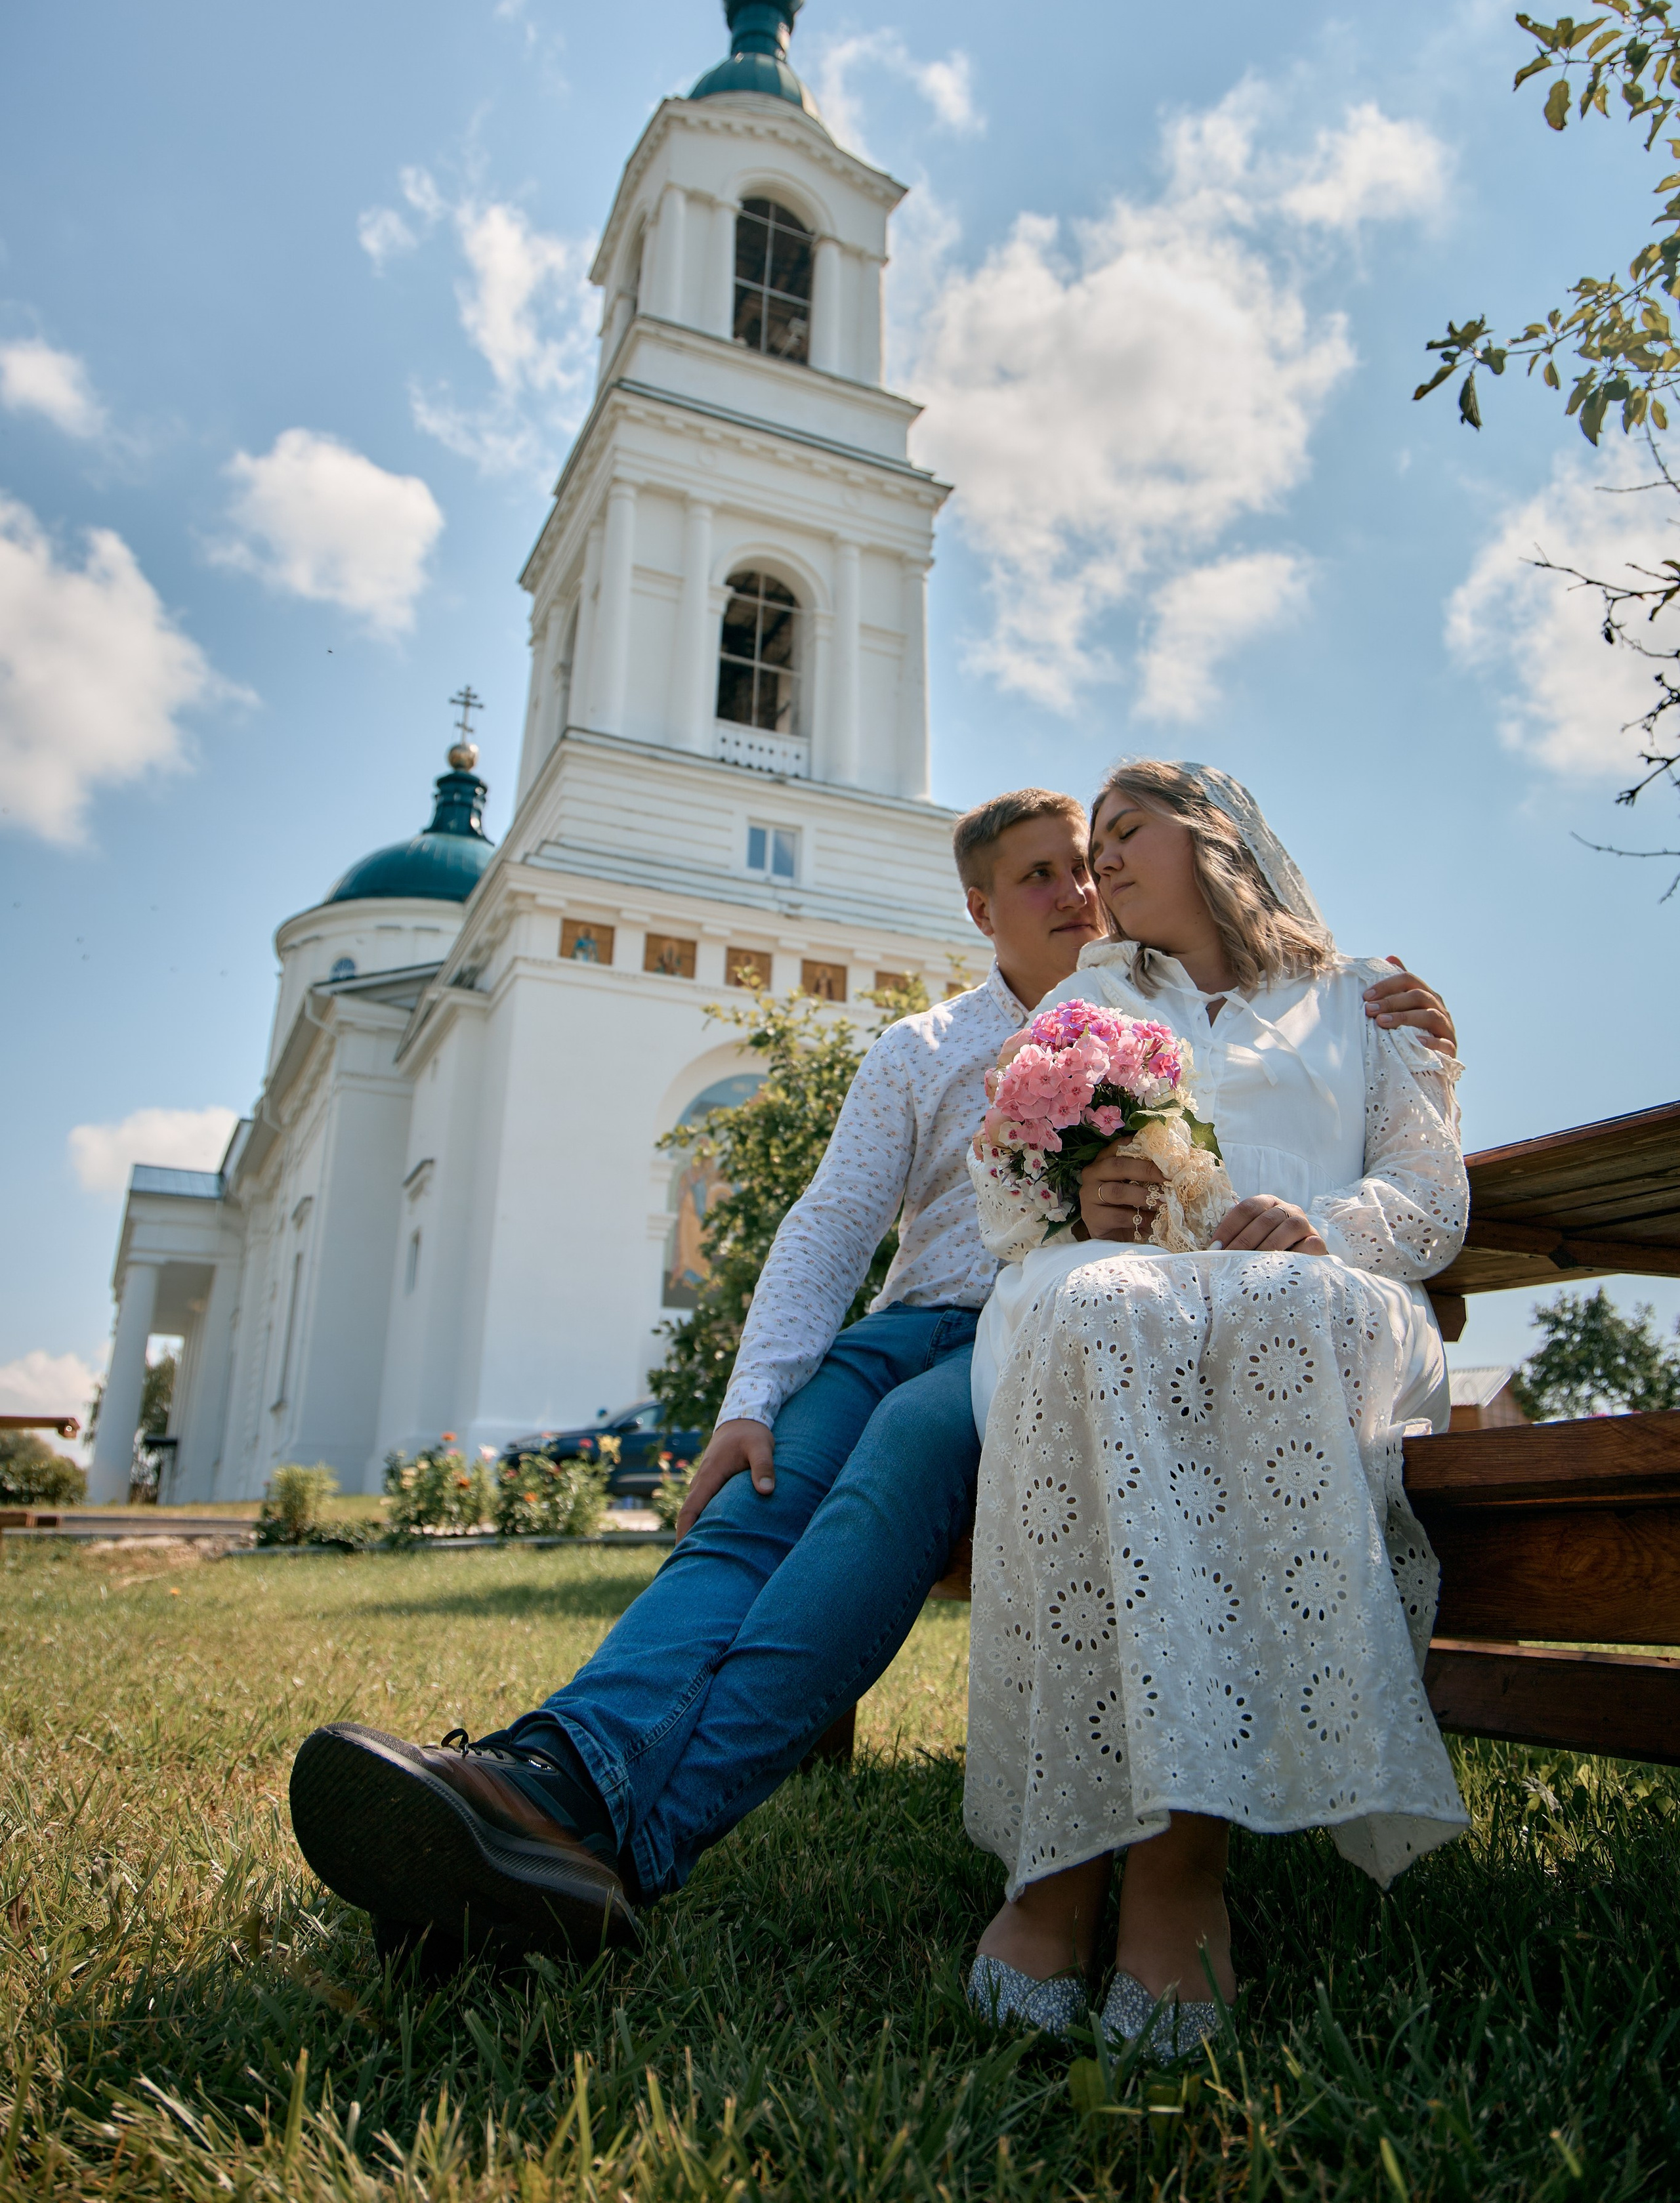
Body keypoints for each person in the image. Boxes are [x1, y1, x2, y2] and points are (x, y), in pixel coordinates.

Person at [289, 785, 1458, 1965]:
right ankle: (548, 1771)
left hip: (1043, 1331)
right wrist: (749, 1406)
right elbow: (833, 1221)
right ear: (982, 908)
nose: (1082, 890)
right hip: (910, 1328)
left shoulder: (1156, 1002)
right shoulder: (935, 1044)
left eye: (1095, 866)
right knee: (758, 1499)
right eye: (1047, 874)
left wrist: (1398, 1027)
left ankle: (601, 1830)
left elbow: (1284, 1077)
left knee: (888, 1474)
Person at [961, 761, 1470, 2061]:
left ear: (1218, 837)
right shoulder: (1086, 999)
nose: (1101, 866)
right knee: (1102, 1309)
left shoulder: (1366, 1000)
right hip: (1120, 1295)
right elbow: (1006, 1203)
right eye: (1092, 843)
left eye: (1127, 834)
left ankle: (1179, 1870)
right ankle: (1059, 1860)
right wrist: (1079, 1204)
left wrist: (1325, 1224)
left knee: (1258, 1317)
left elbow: (1427, 1200)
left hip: (1316, 1296)